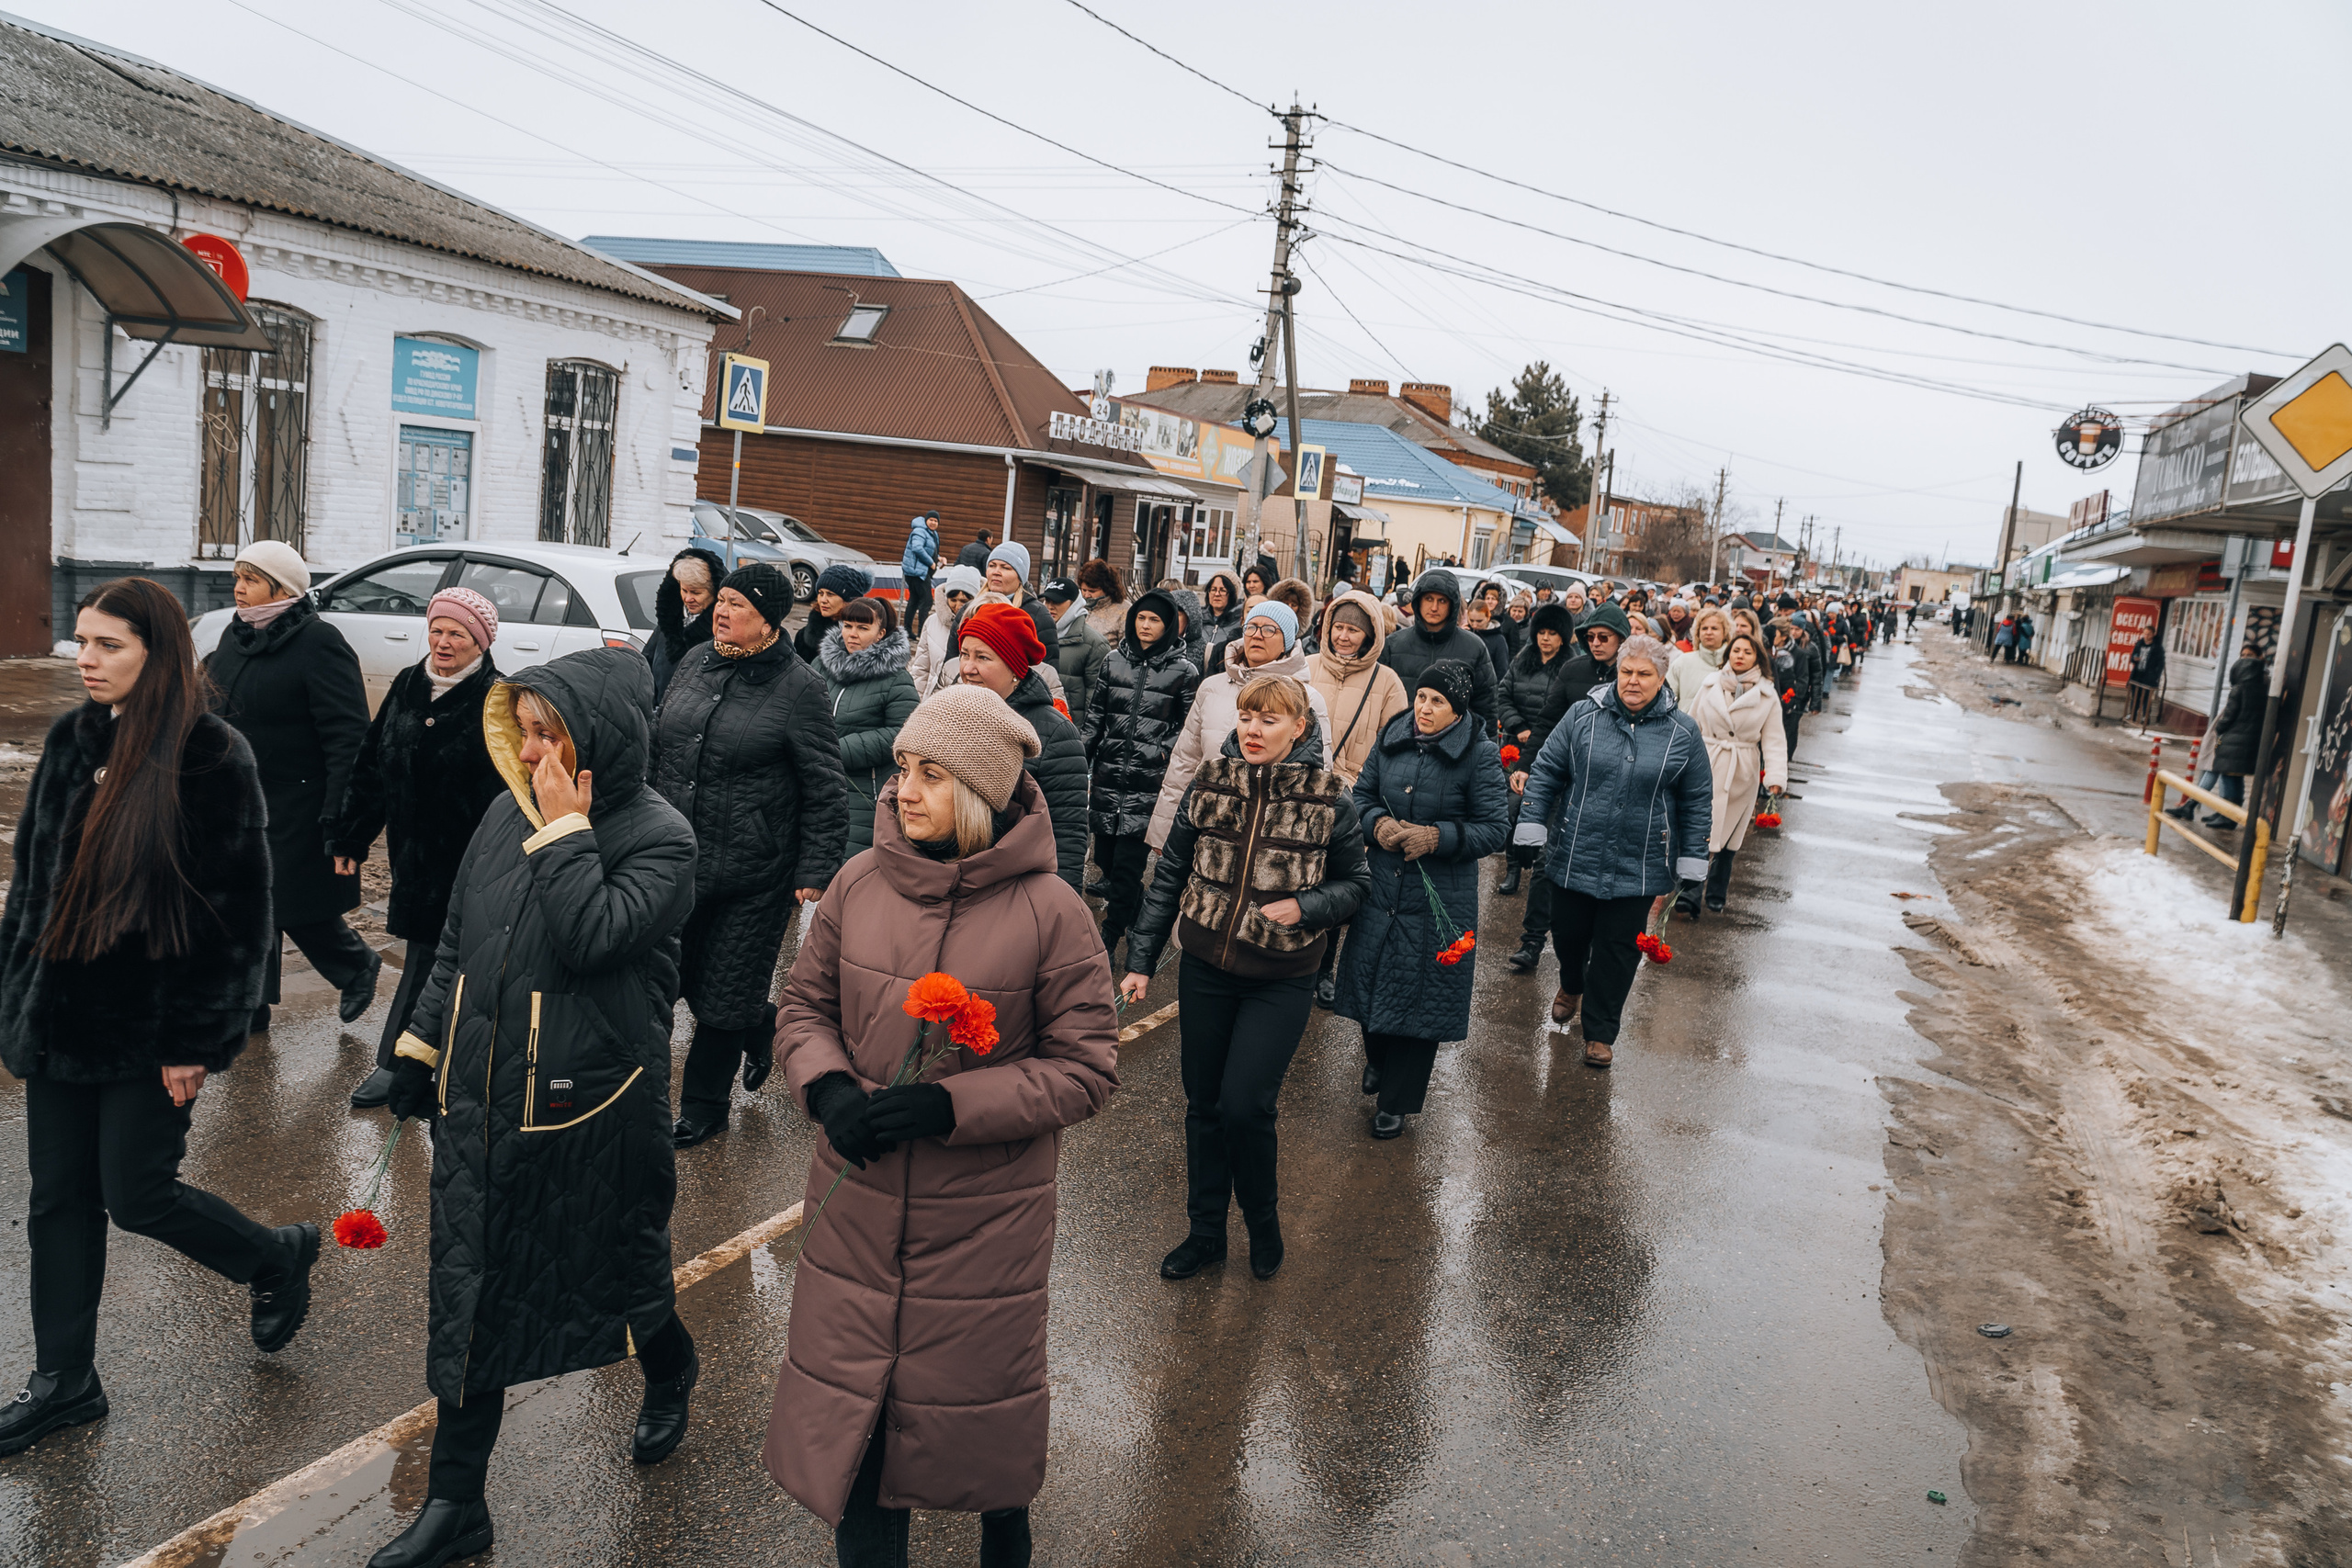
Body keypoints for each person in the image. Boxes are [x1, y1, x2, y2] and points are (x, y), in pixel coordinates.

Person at [763, 685, 1118, 1568]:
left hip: (982, 1223)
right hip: (857, 1206)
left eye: (929, 774)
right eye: (902, 770)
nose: (902, 790)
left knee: (972, 1415)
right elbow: (803, 1008)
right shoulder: (857, 880)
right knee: (864, 1439)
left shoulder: (1053, 912)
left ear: (981, 791)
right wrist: (828, 1088)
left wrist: (954, 1104)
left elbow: (1086, 1068)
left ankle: (1006, 1526)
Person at [369, 649, 700, 1567]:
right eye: (526, 733)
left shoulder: (661, 837)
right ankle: (456, 1504)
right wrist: (418, 1048)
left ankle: (670, 1366)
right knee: (470, 1292)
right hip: (481, 1097)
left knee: (619, 1276)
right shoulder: (496, 815)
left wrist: (564, 832)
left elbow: (593, 935)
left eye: (553, 734)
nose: (535, 753)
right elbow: (453, 947)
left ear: (602, 739)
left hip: (590, 1107)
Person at [0, 579, 308, 1459]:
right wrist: (12, 993)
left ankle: (275, 1256)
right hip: (58, 1016)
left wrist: (195, 1040)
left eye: (109, 646)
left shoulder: (211, 755)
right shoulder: (71, 738)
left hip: (148, 1027)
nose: (87, 661)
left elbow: (238, 912)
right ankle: (65, 1381)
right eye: (83, 643)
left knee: (135, 1195)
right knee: (59, 1197)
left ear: (157, 652)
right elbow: (32, 887)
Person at [1122, 674, 1368, 1280]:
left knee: (1244, 1106)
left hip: (1280, 976)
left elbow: (1357, 885)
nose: (1254, 730)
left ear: (1299, 728)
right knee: (1203, 1105)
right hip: (1206, 967)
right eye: (1248, 717)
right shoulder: (1211, 782)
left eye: (1269, 719)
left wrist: (1306, 907)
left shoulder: (1328, 796)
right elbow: (1171, 873)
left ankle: (1262, 1220)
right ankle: (1205, 1232)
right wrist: (1141, 961)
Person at [652, 563, 849, 1149]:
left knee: (724, 989)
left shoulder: (799, 687)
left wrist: (816, 868)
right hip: (679, 858)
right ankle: (761, 1025)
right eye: (722, 600)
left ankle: (706, 1107)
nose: (721, 610)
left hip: (753, 869)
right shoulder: (695, 662)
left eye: (736, 604)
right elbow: (661, 747)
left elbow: (825, 786)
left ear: (766, 619)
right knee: (673, 978)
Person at [333, 587, 507, 1110]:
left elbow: (508, 787)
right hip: (413, 857)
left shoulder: (497, 697)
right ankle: (420, 1063)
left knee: (435, 963)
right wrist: (351, 835)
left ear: (480, 642)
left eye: (458, 633)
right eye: (436, 629)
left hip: (469, 861)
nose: (443, 641)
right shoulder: (410, 683)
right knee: (431, 962)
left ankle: (398, 1065)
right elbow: (371, 764)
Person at [1512, 635, 1712, 1068]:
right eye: (1626, 672)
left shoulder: (1683, 732)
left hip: (1638, 862)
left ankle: (1601, 1033)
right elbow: (1546, 769)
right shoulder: (1583, 715)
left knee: (1618, 949)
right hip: (1575, 850)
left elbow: (1697, 798)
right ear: (1616, 673)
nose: (1633, 682)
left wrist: (1693, 857)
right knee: (1568, 933)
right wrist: (1530, 822)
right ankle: (1570, 983)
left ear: (1662, 679)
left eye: (1644, 674)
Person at [205, 539, 378, 1034]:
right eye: (237, 577)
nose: (239, 588)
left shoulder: (318, 642)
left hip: (296, 800)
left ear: (282, 589)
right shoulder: (234, 638)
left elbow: (348, 735)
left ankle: (356, 966)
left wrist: (343, 817)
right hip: (237, 798)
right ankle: (250, 1006)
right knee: (245, 903)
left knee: (289, 902)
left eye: (251, 579)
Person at [1331, 660, 1509, 1138]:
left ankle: (1397, 1101)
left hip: (1440, 899)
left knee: (1422, 997)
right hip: (1382, 885)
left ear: (1458, 711)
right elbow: (1361, 797)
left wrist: (1437, 837)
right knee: (1370, 980)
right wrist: (1377, 825)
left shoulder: (1480, 754)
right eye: (1422, 697)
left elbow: (1494, 828)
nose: (1425, 709)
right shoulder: (1393, 738)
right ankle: (1380, 1059)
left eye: (1438, 702)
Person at [1506, 602, 1631, 973]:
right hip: (1569, 782)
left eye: (1603, 637)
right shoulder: (1573, 670)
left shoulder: (1636, 674)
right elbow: (1547, 722)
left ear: (1621, 640)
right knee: (1547, 861)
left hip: (1614, 788)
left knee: (1598, 866)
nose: (1595, 643)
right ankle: (1531, 941)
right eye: (1589, 636)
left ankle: (1589, 947)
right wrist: (1526, 767)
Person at [1148, 602, 1333, 850]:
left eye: (1269, 629)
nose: (1257, 635)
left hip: (1269, 835)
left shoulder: (1307, 698)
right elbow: (1184, 763)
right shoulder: (1212, 687)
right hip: (1205, 823)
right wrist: (1165, 833)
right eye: (1251, 627)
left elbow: (1320, 775)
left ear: (1287, 642)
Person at [1081, 589, 1198, 965]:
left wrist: (1162, 747)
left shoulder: (1185, 671)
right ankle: (1141, 912)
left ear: (1168, 627)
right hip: (1108, 776)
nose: (1146, 626)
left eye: (1155, 620)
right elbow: (1096, 716)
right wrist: (1080, 753)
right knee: (1106, 859)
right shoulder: (1114, 661)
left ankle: (1111, 937)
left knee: (1129, 868)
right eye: (1141, 618)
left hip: (1149, 783)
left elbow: (1189, 726)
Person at [1305, 590, 1409, 1005]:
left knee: (1332, 882)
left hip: (1349, 795)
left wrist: (1366, 792)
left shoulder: (1387, 682)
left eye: (1354, 630)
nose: (1344, 637)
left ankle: (1323, 968)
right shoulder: (1306, 667)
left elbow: (1395, 747)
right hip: (1300, 788)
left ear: (1371, 636)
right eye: (1338, 627)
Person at [956, 602, 1089, 891]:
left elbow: (1066, 836)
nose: (967, 668)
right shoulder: (950, 715)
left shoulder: (1055, 734)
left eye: (983, 657)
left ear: (1014, 667)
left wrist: (1061, 912)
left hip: (1012, 887)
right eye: (964, 654)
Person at [1686, 633, 1786, 917]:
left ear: (1758, 658)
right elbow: (1691, 725)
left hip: (1742, 770)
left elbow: (1775, 739)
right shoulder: (1710, 685)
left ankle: (1717, 891)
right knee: (1699, 829)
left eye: (1748, 652)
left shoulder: (1767, 695)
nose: (1740, 655)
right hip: (1707, 761)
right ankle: (1690, 891)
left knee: (1730, 836)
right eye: (1736, 650)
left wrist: (1776, 776)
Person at [817, 597, 919, 859]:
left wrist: (836, 750)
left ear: (880, 633)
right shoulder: (821, 666)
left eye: (862, 628)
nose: (852, 634)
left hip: (865, 792)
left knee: (853, 865)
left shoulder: (896, 678)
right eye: (848, 625)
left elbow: (901, 733)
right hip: (815, 780)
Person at [1495, 602, 1576, 897]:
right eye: (1541, 632)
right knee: (1513, 807)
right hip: (1516, 746)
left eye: (1552, 633)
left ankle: (1541, 869)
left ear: (1563, 637)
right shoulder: (1522, 659)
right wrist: (1518, 727)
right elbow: (1503, 695)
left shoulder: (1570, 665)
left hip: (1554, 749)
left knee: (1547, 811)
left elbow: (1570, 710)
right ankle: (1513, 868)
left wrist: (1544, 737)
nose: (1545, 638)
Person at [1379, 570, 1498, 732]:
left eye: (1442, 601)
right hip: (1400, 742)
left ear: (1452, 604)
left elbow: (1486, 708)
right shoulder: (1394, 645)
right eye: (1429, 599)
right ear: (1418, 601)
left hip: (1454, 748)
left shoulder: (1474, 647)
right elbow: (1377, 701)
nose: (1434, 607)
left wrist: (1484, 752)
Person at [2171, 645, 2266, 828]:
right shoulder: (2262, 685)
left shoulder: (2241, 688)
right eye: (2242, 655)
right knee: (2231, 775)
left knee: (2227, 775)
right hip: (2248, 739)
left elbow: (2229, 715)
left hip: (2233, 739)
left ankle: (2225, 815)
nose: (2244, 660)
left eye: (2249, 656)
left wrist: (2220, 729)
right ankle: (2221, 813)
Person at [647, 546, 728, 703]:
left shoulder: (723, 631)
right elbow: (647, 664)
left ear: (715, 593)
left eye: (696, 592)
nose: (688, 598)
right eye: (684, 590)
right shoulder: (669, 624)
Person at [907, 564, 984, 697]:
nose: (958, 606)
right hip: (932, 701)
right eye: (953, 600)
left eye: (964, 601)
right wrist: (915, 701)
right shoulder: (932, 623)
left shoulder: (983, 627)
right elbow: (921, 669)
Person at [1041, 576, 1109, 722]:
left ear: (1074, 604)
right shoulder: (1036, 635)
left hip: (1071, 728)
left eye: (1057, 601)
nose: (1050, 606)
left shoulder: (1095, 643)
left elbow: (1096, 699)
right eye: (1047, 600)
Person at [794, 563, 875, 664]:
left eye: (830, 594)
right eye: (820, 593)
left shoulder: (862, 639)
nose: (823, 600)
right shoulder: (803, 636)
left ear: (849, 600)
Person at [1667, 606, 1734, 710]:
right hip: (1687, 724)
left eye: (1714, 628)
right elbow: (1667, 700)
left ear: (1724, 632)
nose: (1709, 632)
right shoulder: (1682, 662)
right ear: (1697, 632)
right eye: (1704, 628)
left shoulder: (1734, 663)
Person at [1462, 595, 1513, 695]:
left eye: (1479, 621)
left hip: (1487, 693)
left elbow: (1502, 670)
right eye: (1471, 621)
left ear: (1488, 617)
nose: (1475, 625)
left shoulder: (1499, 639)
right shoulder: (1464, 634)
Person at [900, 511, 940, 635]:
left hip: (920, 572)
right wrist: (931, 563)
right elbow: (917, 548)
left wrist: (938, 558)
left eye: (936, 521)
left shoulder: (931, 533)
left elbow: (929, 550)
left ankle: (907, 631)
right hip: (916, 572)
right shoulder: (920, 531)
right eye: (931, 520)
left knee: (915, 600)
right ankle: (922, 632)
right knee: (927, 601)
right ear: (926, 520)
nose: (933, 523)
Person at [1197, 570, 1245, 671]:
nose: (1217, 594)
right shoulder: (1197, 619)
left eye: (1223, 590)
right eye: (1213, 589)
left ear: (1232, 594)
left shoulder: (1239, 623)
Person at [1078, 558, 1127, 643]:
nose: (1086, 595)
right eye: (1084, 590)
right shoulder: (1077, 605)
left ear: (1107, 589)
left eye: (1092, 591)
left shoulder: (1124, 611)